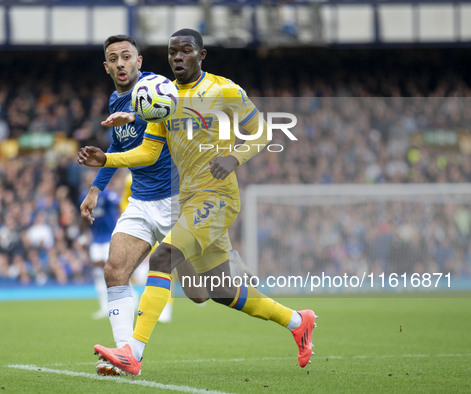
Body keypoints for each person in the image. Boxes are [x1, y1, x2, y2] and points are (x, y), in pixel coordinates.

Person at [78, 28, 317, 376]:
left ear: (201, 55)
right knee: (217, 291)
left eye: (185, 51)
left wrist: (234, 157)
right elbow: (147, 150)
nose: (177, 57)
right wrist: (107, 161)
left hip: (216, 197)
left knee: (163, 257)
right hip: (185, 200)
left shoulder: (224, 89)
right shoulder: (167, 97)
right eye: (173, 52)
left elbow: (263, 130)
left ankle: (133, 351)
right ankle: (298, 321)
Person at [79, 34, 208, 376]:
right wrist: (95, 189)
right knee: (114, 270)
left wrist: (136, 119)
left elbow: (175, 114)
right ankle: (124, 355)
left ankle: (293, 317)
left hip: (177, 200)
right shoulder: (115, 100)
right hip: (141, 200)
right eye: (114, 58)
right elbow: (118, 145)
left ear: (139, 62)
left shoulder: (157, 86)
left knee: (202, 292)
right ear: (106, 66)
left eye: (126, 56)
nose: (121, 63)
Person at [80, 169, 121, 319]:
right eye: (87, 179)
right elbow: (82, 217)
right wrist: (84, 234)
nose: (89, 182)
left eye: (92, 178)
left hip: (110, 237)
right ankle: (104, 307)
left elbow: (119, 209)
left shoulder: (108, 195)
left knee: (114, 271)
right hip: (96, 240)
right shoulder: (83, 197)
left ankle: (130, 298)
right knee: (99, 273)